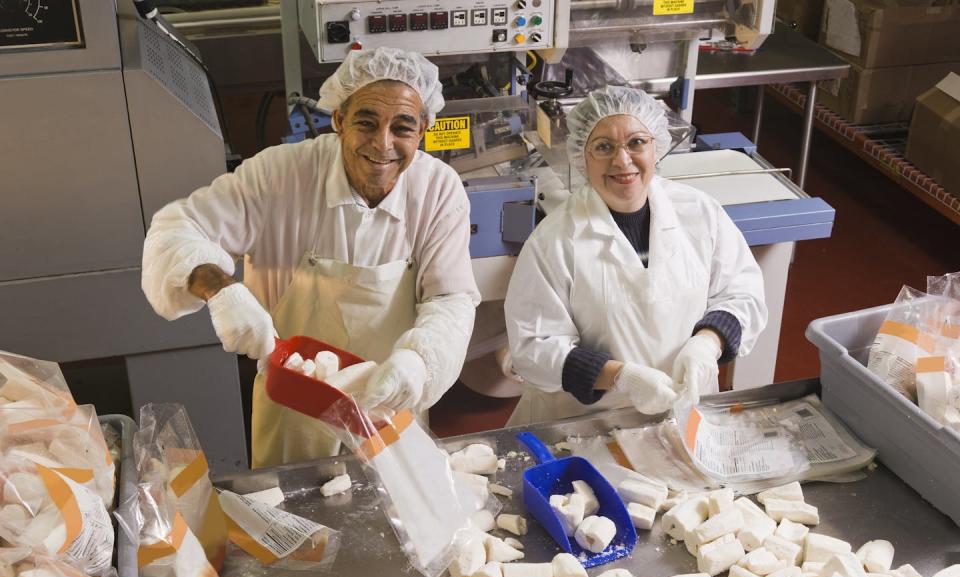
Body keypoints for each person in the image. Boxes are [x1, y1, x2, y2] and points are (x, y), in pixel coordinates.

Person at [142, 47, 480, 467]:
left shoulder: (438, 190)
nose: (383, 144)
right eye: (366, 122)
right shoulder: (280, 175)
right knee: (295, 522)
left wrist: (419, 364)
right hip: (291, 410)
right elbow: (175, 227)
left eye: (403, 128)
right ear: (338, 119)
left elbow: (450, 299)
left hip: (389, 399)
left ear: (424, 129)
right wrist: (221, 290)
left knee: (392, 517)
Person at [504, 85, 767, 425]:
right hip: (588, 425)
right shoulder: (553, 241)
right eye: (604, 147)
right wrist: (619, 376)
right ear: (581, 158)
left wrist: (707, 342)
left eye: (636, 142)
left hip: (685, 417)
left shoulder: (699, 212)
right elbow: (534, 348)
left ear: (655, 147)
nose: (622, 159)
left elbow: (742, 292)